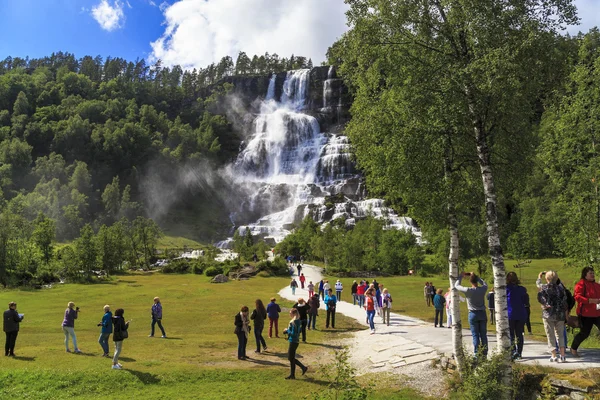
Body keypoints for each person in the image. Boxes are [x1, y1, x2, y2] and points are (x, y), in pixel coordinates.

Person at [537, 270, 568, 362]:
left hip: (548, 314)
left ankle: (554, 355)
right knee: (560, 335)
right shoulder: (561, 288)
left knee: (550, 334)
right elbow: (565, 298)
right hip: (560, 314)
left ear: (546, 279)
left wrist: (540, 276)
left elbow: (538, 284)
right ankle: (563, 355)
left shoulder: (544, 287)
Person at [454, 272, 488, 356]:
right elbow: (485, 284)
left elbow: (456, 286)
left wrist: (460, 277)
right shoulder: (482, 289)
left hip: (473, 313)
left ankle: (476, 354)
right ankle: (485, 353)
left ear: (470, 282)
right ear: (476, 281)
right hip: (482, 313)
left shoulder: (468, 290)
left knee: (475, 335)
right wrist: (477, 276)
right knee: (483, 335)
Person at [570, 267, 600, 357]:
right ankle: (573, 348)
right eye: (590, 273)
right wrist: (590, 300)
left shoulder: (596, 285)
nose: (592, 275)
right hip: (585, 313)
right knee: (585, 333)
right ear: (585, 275)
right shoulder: (581, 284)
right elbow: (577, 297)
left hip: (597, 313)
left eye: (593, 273)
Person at [507, 271, 528, 360]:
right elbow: (526, 302)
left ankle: (513, 351)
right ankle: (519, 352)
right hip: (521, 314)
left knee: (511, 334)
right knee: (519, 334)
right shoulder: (522, 289)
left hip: (510, 313)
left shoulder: (505, 289)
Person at [284, 309, 308, 379]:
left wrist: (287, 330)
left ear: (294, 314)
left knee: (290, 358)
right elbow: (299, 331)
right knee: (291, 358)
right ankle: (293, 374)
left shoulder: (293, 322)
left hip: (293, 341)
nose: (289, 314)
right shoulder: (298, 321)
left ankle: (303, 368)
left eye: (290, 313)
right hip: (296, 341)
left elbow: (293, 333)